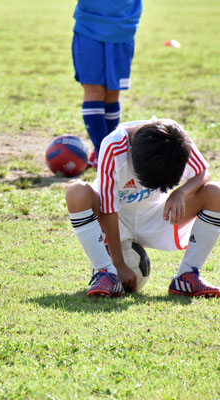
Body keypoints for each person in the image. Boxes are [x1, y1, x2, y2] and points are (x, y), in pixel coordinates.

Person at [66, 118, 220, 297]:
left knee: (216, 192)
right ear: (131, 153)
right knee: (76, 192)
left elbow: (202, 172)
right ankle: (105, 272)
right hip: (115, 220)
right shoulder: (113, 145)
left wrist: (180, 193)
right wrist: (118, 265)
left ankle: (187, 276)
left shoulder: (174, 138)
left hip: (158, 216)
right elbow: (108, 208)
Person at [72, 0, 143, 166]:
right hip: (90, 26)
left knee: (112, 94)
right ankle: (105, 156)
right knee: (95, 91)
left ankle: (105, 156)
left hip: (123, 28)